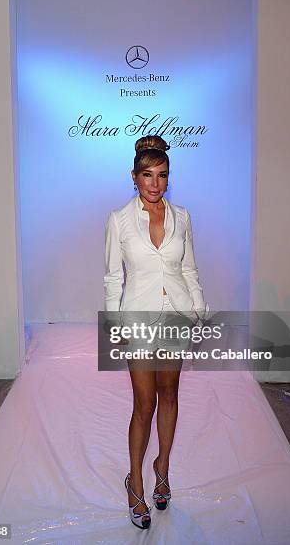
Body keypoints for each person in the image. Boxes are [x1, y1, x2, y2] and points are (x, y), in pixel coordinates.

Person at [103, 135, 209, 529]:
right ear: (134, 177)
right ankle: (135, 482)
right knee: (143, 404)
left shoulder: (182, 216)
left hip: (177, 316)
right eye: (147, 175)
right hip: (138, 320)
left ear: (169, 177)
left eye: (162, 175)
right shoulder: (119, 219)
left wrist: (198, 310)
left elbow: (189, 269)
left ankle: (162, 466)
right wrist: (115, 327)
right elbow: (114, 277)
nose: (155, 182)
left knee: (170, 395)